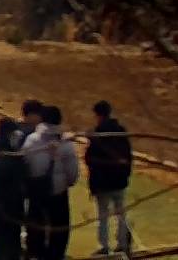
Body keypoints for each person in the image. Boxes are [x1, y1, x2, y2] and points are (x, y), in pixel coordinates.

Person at [22, 105, 79, 260]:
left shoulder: (32, 140)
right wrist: (68, 183)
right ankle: (55, 255)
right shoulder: (66, 143)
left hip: (37, 190)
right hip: (58, 191)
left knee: (35, 225)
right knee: (59, 228)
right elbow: (72, 172)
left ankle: (35, 253)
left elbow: (25, 163)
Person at [86, 100, 132, 256]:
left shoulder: (97, 133)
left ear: (98, 115)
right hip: (119, 180)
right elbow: (128, 155)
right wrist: (125, 174)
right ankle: (123, 243)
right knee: (121, 214)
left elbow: (90, 159)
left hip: (103, 182)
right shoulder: (121, 131)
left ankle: (104, 246)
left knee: (103, 216)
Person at [0, 118, 26, 260]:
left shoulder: (1, 150)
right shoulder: (4, 156)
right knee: (2, 247)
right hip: (6, 208)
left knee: (4, 244)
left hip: (3, 208)